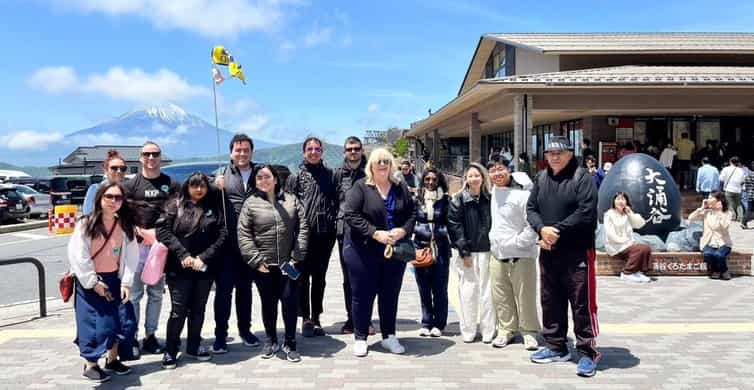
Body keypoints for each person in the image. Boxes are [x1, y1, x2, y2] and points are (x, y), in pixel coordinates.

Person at [526, 136, 600, 377]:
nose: (554, 156)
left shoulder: (582, 178)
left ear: (570, 153)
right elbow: (531, 208)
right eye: (550, 153)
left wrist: (556, 230)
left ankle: (587, 352)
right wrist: (541, 229)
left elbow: (586, 212)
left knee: (582, 304)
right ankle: (556, 346)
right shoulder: (541, 178)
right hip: (549, 252)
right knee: (550, 300)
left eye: (560, 152)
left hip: (577, 252)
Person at [343, 147, 415, 357]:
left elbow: (412, 213)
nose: (382, 165)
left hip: (395, 251)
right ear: (371, 165)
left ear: (391, 164)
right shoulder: (361, 187)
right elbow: (351, 215)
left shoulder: (400, 186)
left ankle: (389, 336)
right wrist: (375, 233)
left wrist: (403, 230)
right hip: (363, 251)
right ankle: (360, 337)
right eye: (378, 162)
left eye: (386, 161)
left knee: (390, 294)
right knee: (362, 296)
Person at [68, 182, 138, 382]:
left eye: (118, 198)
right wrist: (92, 282)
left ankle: (113, 359)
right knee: (96, 324)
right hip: (91, 281)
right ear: (99, 198)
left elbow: (131, 257)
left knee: (125, 322)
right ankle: (90, 364)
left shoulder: (125, 226)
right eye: (109, 196)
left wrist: (126, 282)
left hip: (114, 279)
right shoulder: (86, 223)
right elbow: (78, 255)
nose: (113, 201)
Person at [238, 165, 309, 363]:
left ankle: (290, 341)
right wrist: (255, 260)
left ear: (276, 179)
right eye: (259, 177)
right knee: (268, 303)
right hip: (264, 265)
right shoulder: (250, 204)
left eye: (267, 177)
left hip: (289, 264)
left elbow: (302, 227)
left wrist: (297, 256)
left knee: (289, 302)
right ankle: (271, 339)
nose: (263, 180)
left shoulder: (291, 200)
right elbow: (244, 234)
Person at [156, 172, 227, 368]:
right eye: (194, 185)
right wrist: (183, 255)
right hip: (179, 267)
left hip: (204, 267)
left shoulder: (213, 207)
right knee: (178, 310)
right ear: (187, 187)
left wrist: (202, 258)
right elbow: (162, 231)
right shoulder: (175, 204)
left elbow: (222, 235)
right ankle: (171, 349)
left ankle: (194, 345)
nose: (199, 189)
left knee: (198, 309)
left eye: (202, 185)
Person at [123, 141, 180, 355]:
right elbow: (123, 213)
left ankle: (151, 335)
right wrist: (138, 232)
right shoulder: (131, 185)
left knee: (156, 294)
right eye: (147, 154)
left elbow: (175, 212)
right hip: (136, 246)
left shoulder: (171, 184)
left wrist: (158, 234)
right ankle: (133, 337)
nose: (151, 158)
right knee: (135, 294)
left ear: (160, 156)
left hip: (160, 247)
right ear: (140, 157)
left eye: (155, 154)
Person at [213, 133, 260, 352]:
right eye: (238, 150)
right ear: (231, 152)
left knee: (245, 289)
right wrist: (215, 186)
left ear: (251, 152)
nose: (242, 153)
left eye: (246, 150)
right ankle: (220, 335)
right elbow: (206, 198)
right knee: (223, 292)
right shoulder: (221, 173)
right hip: (227, 245)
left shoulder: (260, 173)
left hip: (252, 243)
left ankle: (245, 330)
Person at [286, 136, 337, 337]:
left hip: (325, 236)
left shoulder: (331, 175)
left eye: (317, 149)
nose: (313, 152)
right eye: (310, 149)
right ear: (304, 152)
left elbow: (337, 199)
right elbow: (288, 206)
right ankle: (305, 317)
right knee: (301, 278)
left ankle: (316, 317)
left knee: (320, 278)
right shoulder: (296, 177)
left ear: (322, 152)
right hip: (302, 236)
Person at [487, 158, 540, 350]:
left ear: (509, 170)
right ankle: (506, 330)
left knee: (525, 296)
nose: (496, 173)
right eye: (492, 170)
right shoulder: (491, 193)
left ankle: (529, 332)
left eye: (500, 168)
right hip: (497, 254)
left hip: (522, 255)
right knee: (501, 296)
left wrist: (518, 243)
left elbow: (532, 225)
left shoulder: (522, 196)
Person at [448, 162, 494, 344]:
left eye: (477, 175)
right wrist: (464, 251)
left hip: (488, 251)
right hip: (467, 254)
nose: (474, 179)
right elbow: (454, 227)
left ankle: (489, 330)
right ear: (465, 179)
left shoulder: (490, 198)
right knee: (468, 292)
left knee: (488, 292)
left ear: (483, 177)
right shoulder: (458, 200)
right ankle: (468, 330)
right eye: (470, 176)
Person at [332, 136, 372, 335]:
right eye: (349, 149)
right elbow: (332, 201)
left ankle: (367, 320)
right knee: (349, 278)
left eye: (357, 148)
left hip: (369, 232)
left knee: (369, 277)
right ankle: (352, 318)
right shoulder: (338, 174)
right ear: (344, 152)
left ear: (362, 150)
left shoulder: (370, 171)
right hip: (345, 233)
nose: (353, 152)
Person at [412, 167, 451, 338]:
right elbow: (410, 220)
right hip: (420, 247)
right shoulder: (416, 200)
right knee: (424, 288)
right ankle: (426, 322)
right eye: (427, 179)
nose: (430, 182)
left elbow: (452, 222)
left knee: (440, 288)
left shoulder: (446, 200)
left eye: (434, 179)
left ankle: (439, 323)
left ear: (439, 181)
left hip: (441, 248)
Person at [604, 192, 652, 283]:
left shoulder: (627, 214)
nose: (620, 201)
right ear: (614, 201)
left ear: (626, 202)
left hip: (627, 245)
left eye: (623, 199)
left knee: (646, 248)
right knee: (639, 249)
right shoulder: (609, 214)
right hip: (615, 246)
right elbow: (610, 234)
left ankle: (638, 272)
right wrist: (625, 242)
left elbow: (640, 224)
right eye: (618, 199)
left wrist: (630, 213)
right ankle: (627, 273)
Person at [688, 192, 733, 280]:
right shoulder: (707, 212)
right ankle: (715, 270)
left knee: (719, 255)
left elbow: (724, 227)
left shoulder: (727, 213)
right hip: (708, 242)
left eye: (711, 197)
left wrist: (719, 212)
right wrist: (701, 208)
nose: (708, 199)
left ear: (719, 200)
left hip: (723, 243)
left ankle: (724, 271)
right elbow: (691, 218)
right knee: (708, 254)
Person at [83, 150, 128, 216]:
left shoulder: (129, 189)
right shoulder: (96, 189)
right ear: (105, 170)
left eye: (123, 168)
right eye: (114, 168)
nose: (119, 171)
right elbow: (87, 214)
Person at [719, 156, 746, 223]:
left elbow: (721, 179)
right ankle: (741, 217)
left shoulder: (726, 169)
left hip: (729, 189)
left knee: (730, 204)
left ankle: (733, 216)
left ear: (730, 162)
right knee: (738, 204)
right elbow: (742, 181)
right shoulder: (741, 170)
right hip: (738, 189)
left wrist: (721, 188)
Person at [743, 162, 754, 229]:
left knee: (749, 210)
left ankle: (743, 222)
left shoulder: (748, 176)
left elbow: (746, 187)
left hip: (750, 195)